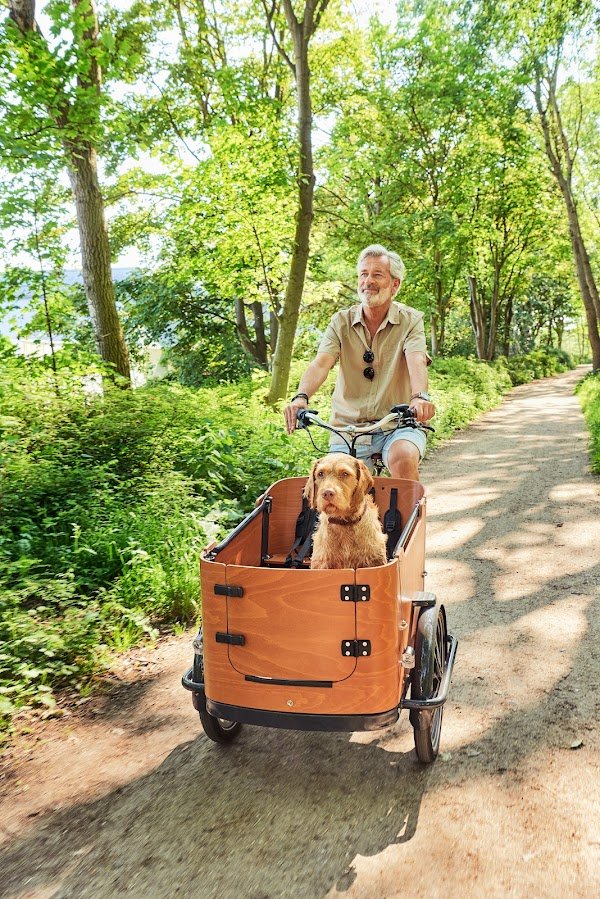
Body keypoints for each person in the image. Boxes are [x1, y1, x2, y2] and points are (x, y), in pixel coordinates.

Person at [284, 244, 435, 481]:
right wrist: (301, 397)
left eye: (377, 275)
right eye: (363, 274)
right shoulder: (341, 322)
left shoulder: (411, 321)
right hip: (347, 428)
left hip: (396, 424)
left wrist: (419, 397)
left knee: (403, 457)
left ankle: (416, 518)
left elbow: (416, 359)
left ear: (395, 285)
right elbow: (321, 363)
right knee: (333, 487)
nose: (368, 281)